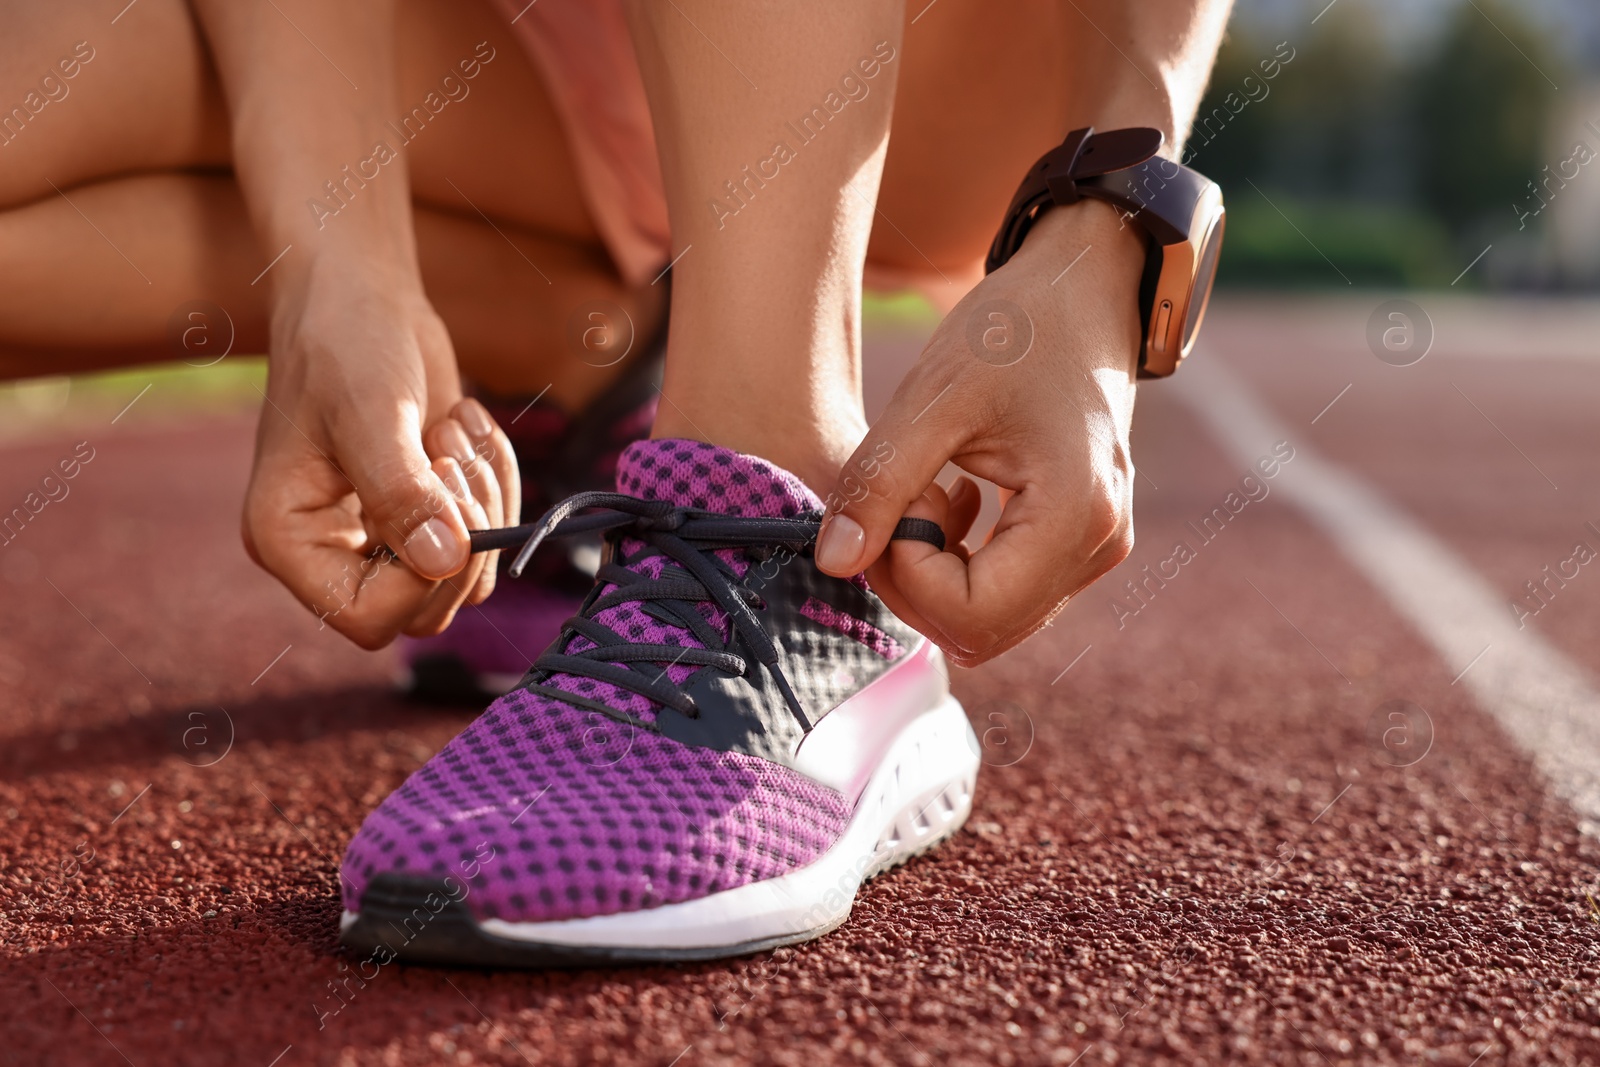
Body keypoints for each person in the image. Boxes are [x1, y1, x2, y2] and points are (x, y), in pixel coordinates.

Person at [2, 0, 1230, 963]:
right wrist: (341, 279)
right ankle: (581, 354)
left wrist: (1112, 214)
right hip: (510, 52)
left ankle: (770, 471)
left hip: (928, 66)